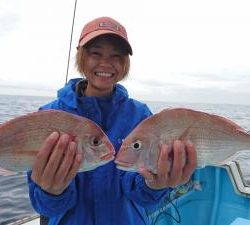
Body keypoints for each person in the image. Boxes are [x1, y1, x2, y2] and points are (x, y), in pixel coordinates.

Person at [27, 16, 197, 225]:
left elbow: (142, 198)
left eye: (116, 56)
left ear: (125, 63)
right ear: (81, 57)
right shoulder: (49, 115)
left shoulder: (140, 114)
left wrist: (156, 185)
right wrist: (52, 192)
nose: (105, 63)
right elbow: (43, 206)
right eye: (95, 53)